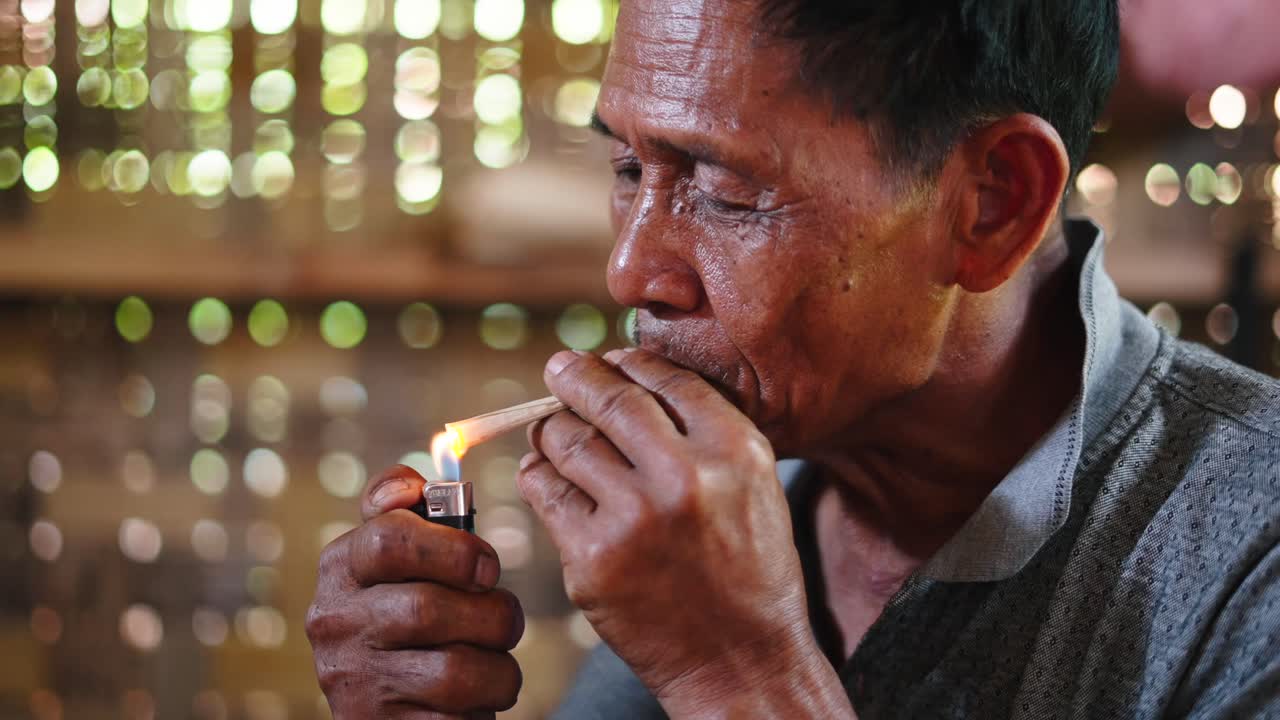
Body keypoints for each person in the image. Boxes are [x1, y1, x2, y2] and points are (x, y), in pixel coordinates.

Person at [306, 0, 1280, 717]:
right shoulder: (751, 483)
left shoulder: (1245, 558)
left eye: (725, 192)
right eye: (628, 170)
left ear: (992, 203)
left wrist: (739, 679)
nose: (630, 271)